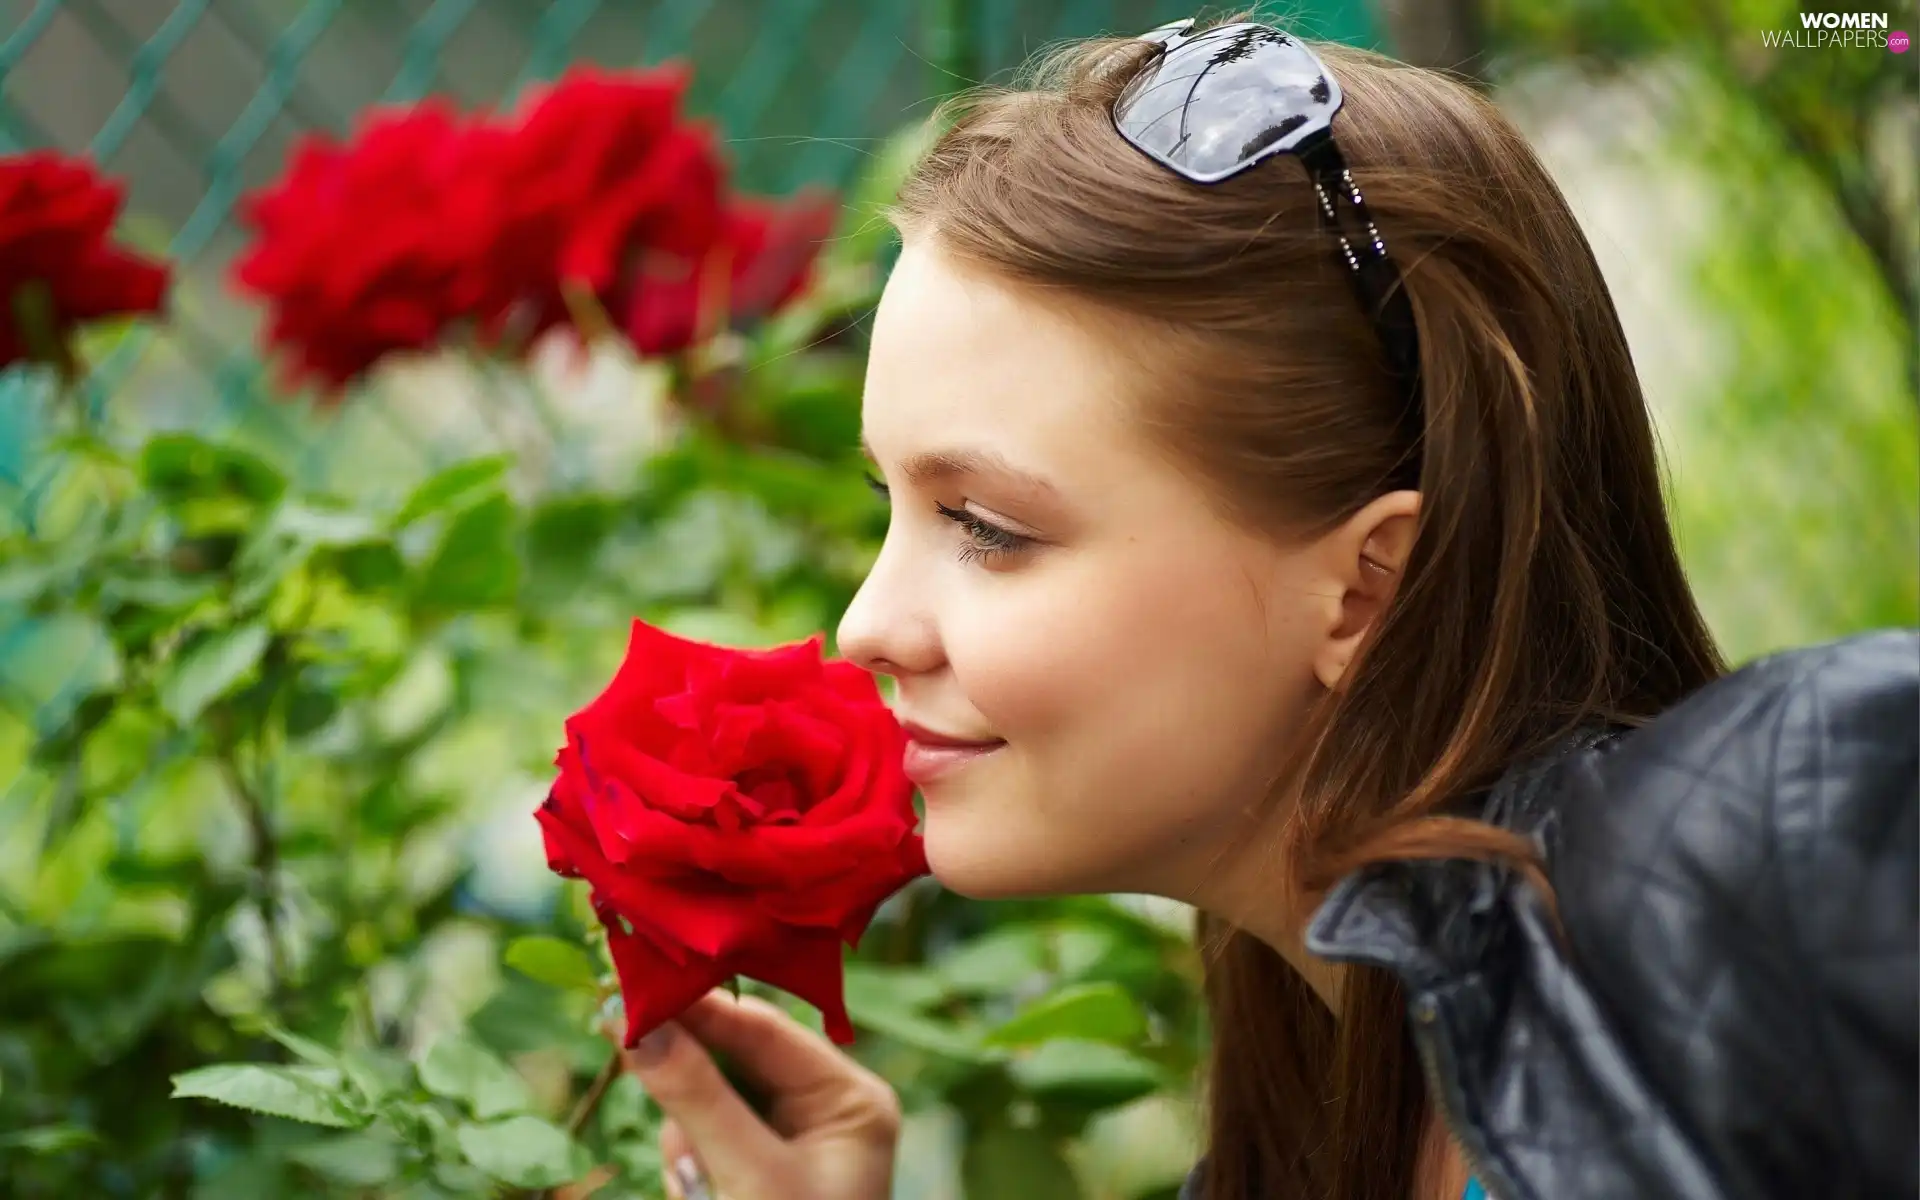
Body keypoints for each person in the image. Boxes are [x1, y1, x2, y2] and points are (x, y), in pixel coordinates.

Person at [606, 16, 1920, 1200]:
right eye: (889, 502)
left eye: (989, 528)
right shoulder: (1308, 1137)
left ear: (1364, 590)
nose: (864, 627)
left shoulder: (1792, 843)